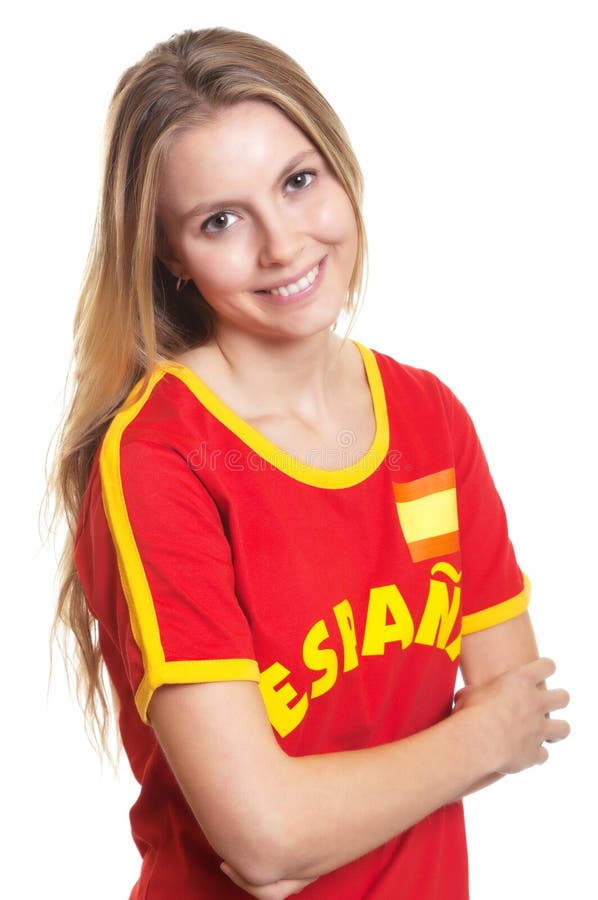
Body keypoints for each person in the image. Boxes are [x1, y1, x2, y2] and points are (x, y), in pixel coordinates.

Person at [49, 26, 570, 900]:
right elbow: (267, 842)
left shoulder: (428, 416)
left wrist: (307, 808)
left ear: (338, 166)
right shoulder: (159, 460)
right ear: (171, 253)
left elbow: (517, 687)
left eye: (298, 182)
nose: (284, 245)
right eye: (221, 220)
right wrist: (475, 741)